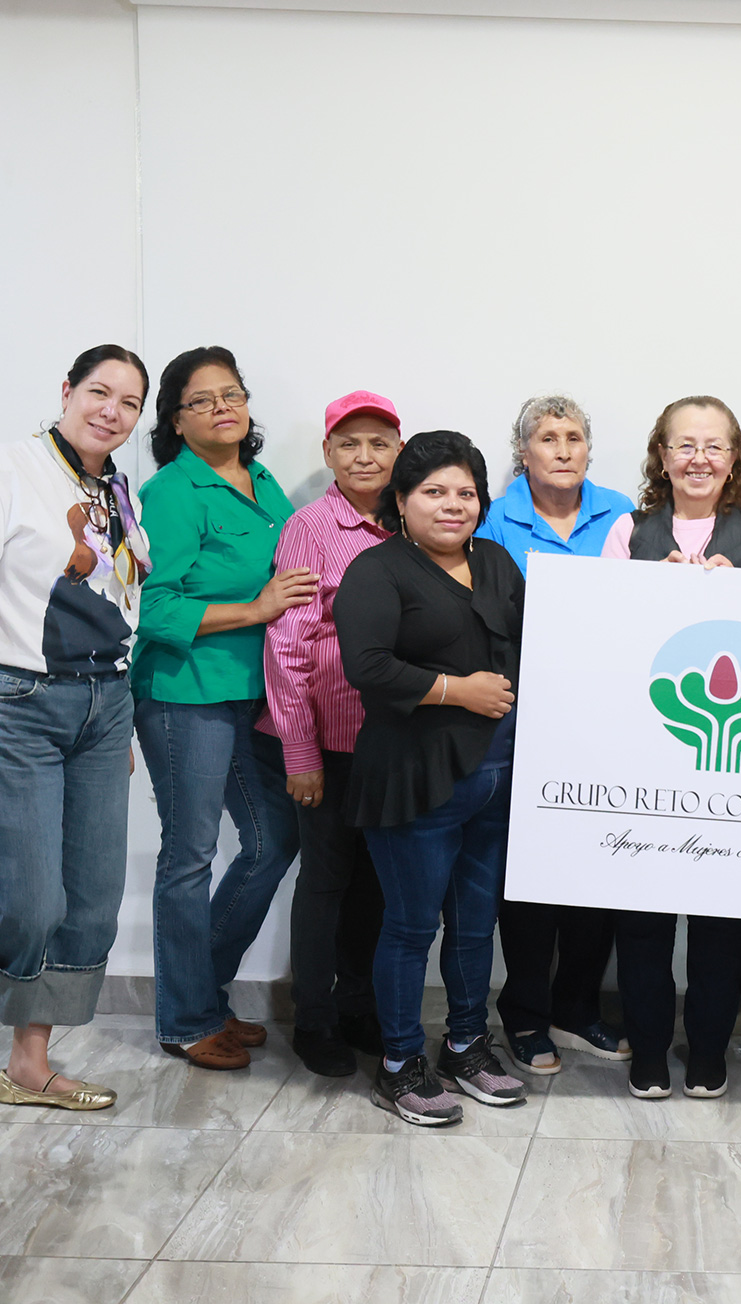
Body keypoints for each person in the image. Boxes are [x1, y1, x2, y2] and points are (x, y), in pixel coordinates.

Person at [601, 395, 741, 1101]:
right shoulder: (628, 529)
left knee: (720, 921)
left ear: (734, 457)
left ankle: (708, 1053)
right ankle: (649, 1052)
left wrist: (739, 595)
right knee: (643, 921)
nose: (699, 459)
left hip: (733, 768)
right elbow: (603, 631)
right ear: (662, 455)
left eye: (714, 446)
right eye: (684, 445)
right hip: (647, 755)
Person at [334, 430, 527, 1127]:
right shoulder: (377, 570)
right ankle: (399, 1065)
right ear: (402, 500)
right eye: (434, 491)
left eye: (466, 493)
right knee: (412, 927)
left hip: (495, 780)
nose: (453, 505)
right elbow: (368, 666)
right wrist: (457, 691)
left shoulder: (497, 562)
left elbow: (543, 643)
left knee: (475, 926)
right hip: (415, 780)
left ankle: (467, 1045)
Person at [132, 347, 314, 1071]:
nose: (222, 408)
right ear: (175, 422)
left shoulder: (262, 480)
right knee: (190, 856)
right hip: (185, 693)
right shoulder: (172, 491)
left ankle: (201, 991)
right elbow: (152, 607)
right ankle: (184, 1019)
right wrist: (256, 609)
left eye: (231, 393)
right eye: (201, 400)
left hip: (253, 693)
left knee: (274, 841)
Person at [0, 345, 151, 1110]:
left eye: (129, 403)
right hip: (21, 700)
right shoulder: (14, 468)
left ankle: (29, 1064)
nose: (110, 412)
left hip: (104, 705)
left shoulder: (116, 491)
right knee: (29, 900)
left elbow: (122, 601)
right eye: (98, 392)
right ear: (66, 391)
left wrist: (114, 721)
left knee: (92, 897)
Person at [476, 395, 633, 1075]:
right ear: (524, 453)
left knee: (597, 872)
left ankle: (577, 1010)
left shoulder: (622, 513)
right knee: (530, 879)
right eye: (548, 437)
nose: (563, 449)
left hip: (609, 722)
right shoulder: (493, 519)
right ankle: (525, 1015)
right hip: (524, 722)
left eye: (574, 437)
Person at [261, 391, 403, 1077]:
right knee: (325, 882)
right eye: (349, 444)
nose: (365, 456)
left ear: (399, 449)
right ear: (328, 453)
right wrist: (301, 753)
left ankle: (359, 1009)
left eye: (379, 442)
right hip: (328, 742)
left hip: (395, 745)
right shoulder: (309, 529)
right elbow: (287, 646)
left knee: (377, 885)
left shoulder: (415, 518)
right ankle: (313, 1019)